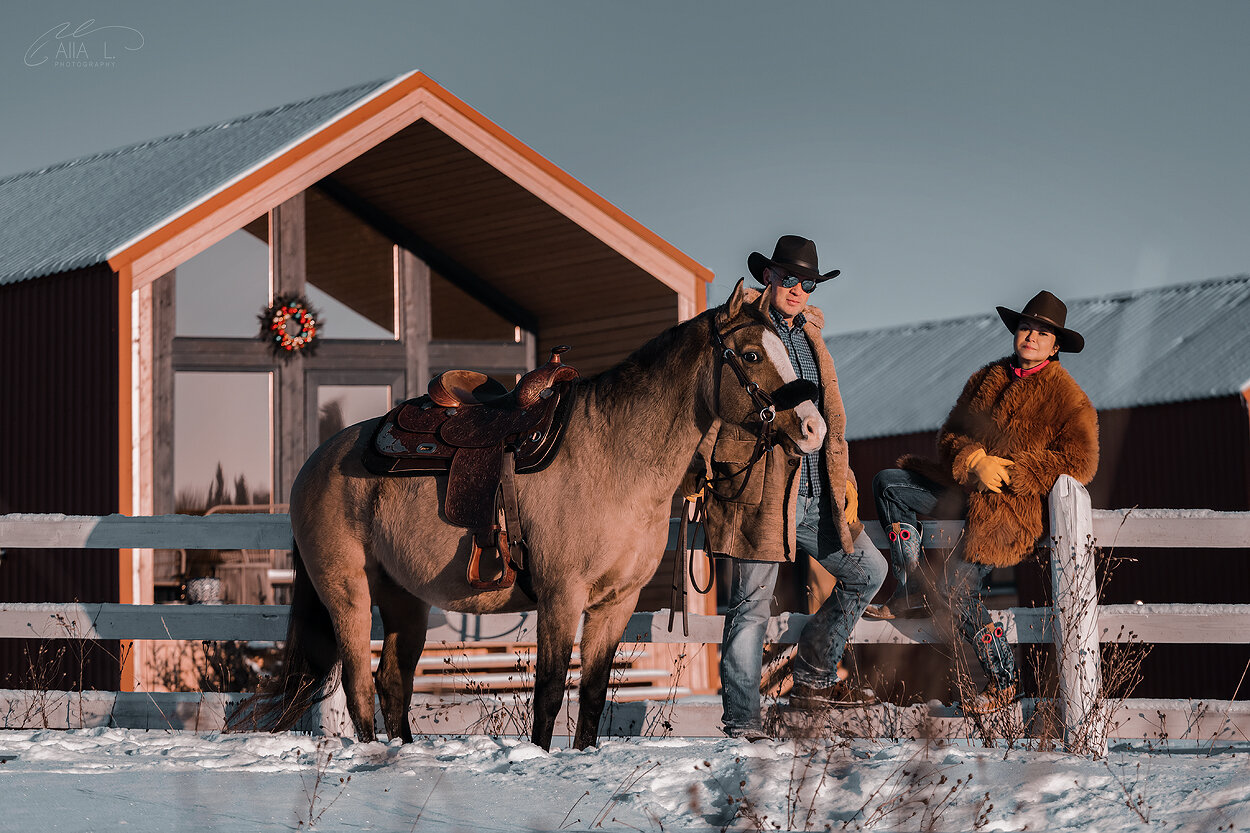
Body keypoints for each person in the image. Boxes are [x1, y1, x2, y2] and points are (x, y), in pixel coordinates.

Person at [690, 234, 887, 741]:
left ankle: (814, 671)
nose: (798, 289)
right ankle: (742, 721)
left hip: (817, 495)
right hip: (763, 492)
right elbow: (714, 411)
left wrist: (841, 477)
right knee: (751, 608)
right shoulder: (744, 331)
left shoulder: (813, 338)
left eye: (807, 282)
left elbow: (829, 420)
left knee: (869, 571)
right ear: (768, 278)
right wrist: (704, 472)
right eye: (789, 278)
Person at [868, 290, 1098, 714]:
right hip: (964, 487)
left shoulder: (1067, 396)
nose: (1031, 335)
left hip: (1010, 509)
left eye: (1043, 331)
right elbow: (949, 436)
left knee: (957, 591)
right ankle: (910, 583)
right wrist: (973, 460)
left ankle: (1004, 681)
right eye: (1026, 326)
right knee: (889, 484)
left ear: (1056, 344)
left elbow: (1080, 460)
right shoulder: (986, 378)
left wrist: (1013, 472)